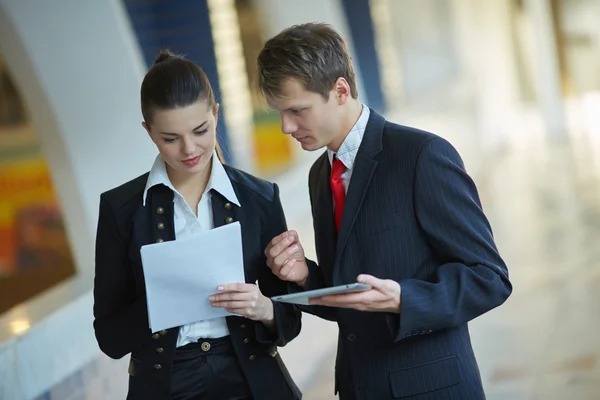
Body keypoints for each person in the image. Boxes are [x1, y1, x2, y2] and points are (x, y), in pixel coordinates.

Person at [259, 23, 512, 399]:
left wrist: (404, 300)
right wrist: (305, 277)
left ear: (340, 90)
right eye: (280, 112)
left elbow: (490, 279)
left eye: (297, 110)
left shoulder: (421, 156)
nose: (285, 127)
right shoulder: (320, 175)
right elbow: (354, 300)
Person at [93, 50, 302, 400]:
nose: (189, 149)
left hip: (248, 374)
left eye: (200, 130)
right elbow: (110, 339)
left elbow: (290, 321)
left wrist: (263, 308)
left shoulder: (259, 199)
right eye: (170, 138)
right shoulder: (121, 209)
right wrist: (161, 302)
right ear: (149, 132)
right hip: (165, 383)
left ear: (216, 114)